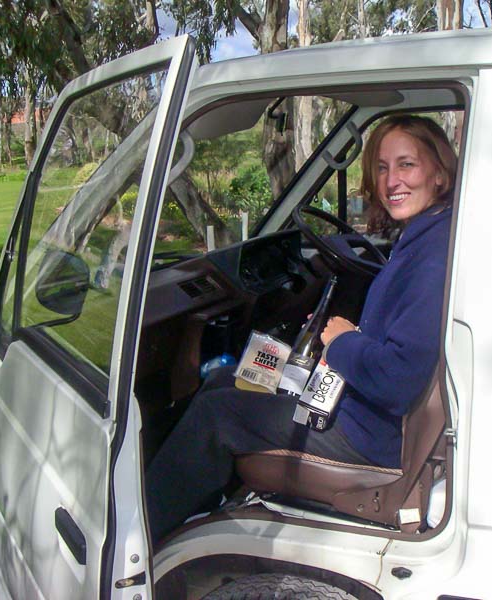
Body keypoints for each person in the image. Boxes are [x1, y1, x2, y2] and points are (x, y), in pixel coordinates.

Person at [146, 114, 458, 543]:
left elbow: (398, 379)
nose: (391, 182)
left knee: (216, 416)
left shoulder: (431, 257)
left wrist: (343, 341)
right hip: (359, 408)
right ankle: (191, 496)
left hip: (370, 438)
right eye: (382, 168)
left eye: (407, 165)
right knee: (223, 379)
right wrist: (347, 339)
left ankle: (138, 533)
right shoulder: (425, 235)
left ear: (439, 173)